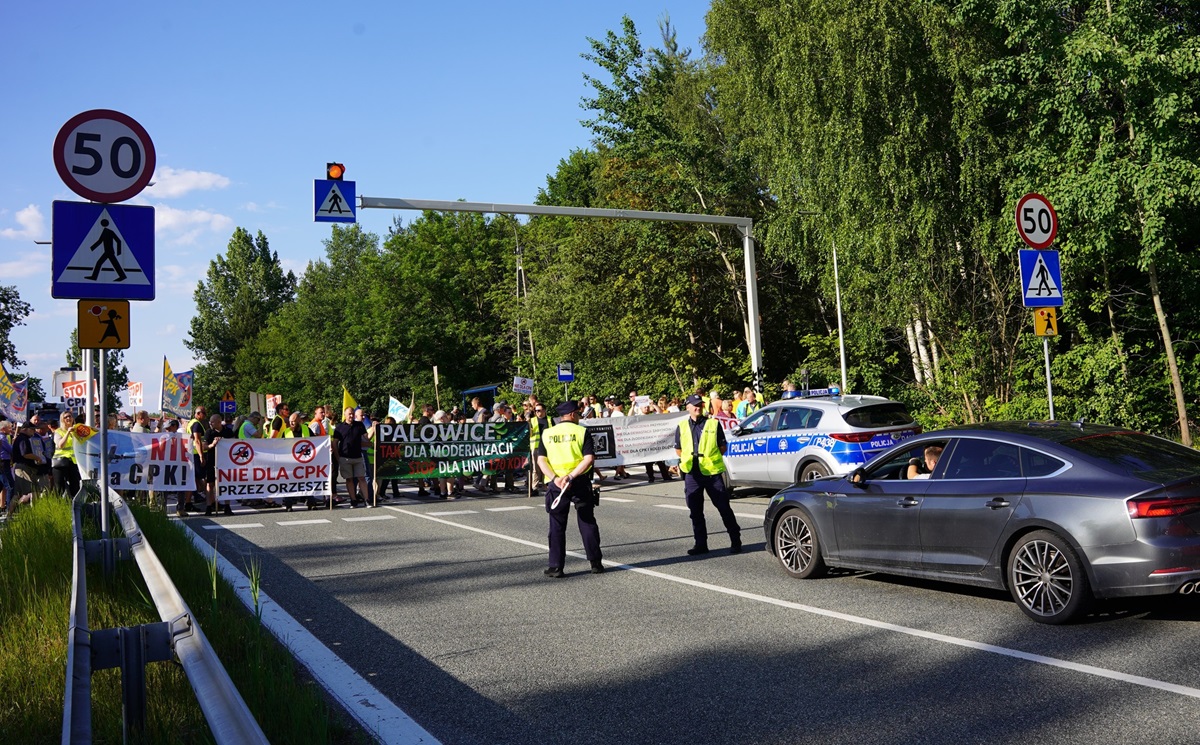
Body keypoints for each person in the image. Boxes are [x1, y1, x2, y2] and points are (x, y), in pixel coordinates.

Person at [536, 400, 604, 577]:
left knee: (557, 525)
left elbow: (541, 460)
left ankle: (556, 566)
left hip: (557, 484)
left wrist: (555, 478)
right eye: (579, 414)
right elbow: (589, 459)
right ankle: (595, 563)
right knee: (587, 521)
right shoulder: (581, 431)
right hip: (579, 481)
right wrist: (571, 476)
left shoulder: (548, 433)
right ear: (572, 414)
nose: (580, 417)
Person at [675, 394, 741, 555]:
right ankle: (701, 544)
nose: (698, 407)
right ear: (688, 407)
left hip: (712, 473)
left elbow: (722, 447)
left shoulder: (713, 424)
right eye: (694, 405)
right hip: (692, 473)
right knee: (695, 511)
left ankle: (735, 540)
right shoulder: (682, 425)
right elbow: (678, 449)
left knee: (724, 508)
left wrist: (709, 458)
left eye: (700, 404)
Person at [333, 406, 371, 507]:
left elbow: (366, 438)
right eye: (349, 414)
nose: (351, 415)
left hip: (358, 457)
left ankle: (367, 499)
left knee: (362, 478)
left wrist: (374, 429)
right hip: (345, 457)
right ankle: (353, 500)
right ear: (344, 415)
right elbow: (335, 443)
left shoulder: (359, 425)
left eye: (352, 414)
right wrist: (338, 457)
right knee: (349, 479)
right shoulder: (339, 427)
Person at [203, 413, 234, 515]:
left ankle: (227, 506)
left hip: (225, 461)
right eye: (210, 422)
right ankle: (209, 506)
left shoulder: (228, 431)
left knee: (226, 482)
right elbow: (204, 446)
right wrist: (212, 444)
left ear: (219, 422)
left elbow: (234, 443)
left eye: (212, 422)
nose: (210, 423)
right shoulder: (209, 432)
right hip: (212, 460)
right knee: (210, 483)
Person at [182, 406, 209, 517]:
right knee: (198, 478)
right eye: (204, 413)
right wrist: (202, 455)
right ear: (198, 413)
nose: (205, 415)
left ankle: (189, 502)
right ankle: (192, 501)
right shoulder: (196, 424)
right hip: (196, 454)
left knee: (194, 478)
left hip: (193, 454)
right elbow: (197, 440)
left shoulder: (192, 423)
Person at [51, 411, 81, 497]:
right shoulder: (58, 431)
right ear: (62, 420)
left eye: (70, 416)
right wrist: (68, 432)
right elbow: (60, 445)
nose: (68, 418)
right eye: (66, 417)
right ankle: (59, 508)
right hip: (60, 462)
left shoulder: (76, 431)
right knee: (59, 488)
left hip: (73, 462)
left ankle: (74, 507)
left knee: (75, 487)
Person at [528, 403, 550, 496]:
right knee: (535, 469)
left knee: (548, 466)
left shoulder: (550, 419)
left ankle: (546, 485)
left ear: (544, 410)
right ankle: (535, 487)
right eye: (536, 411)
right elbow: (529, 434)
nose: (537, 412)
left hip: (548, 446)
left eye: (539, 410)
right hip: (536, 446)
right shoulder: (532, 420)